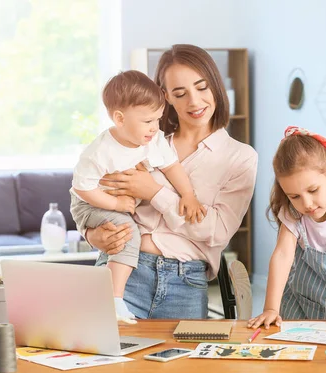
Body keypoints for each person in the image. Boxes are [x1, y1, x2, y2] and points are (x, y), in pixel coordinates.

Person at [73, 44, 258, 319]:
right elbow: (89, 191)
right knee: (103, 358)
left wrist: (154, 191)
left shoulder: (240, 157)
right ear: (166, 97)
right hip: (124, 272)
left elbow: (217, 232)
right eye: (180, 93)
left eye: (202, 87)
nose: (194, 102)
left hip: (185, 283)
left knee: (182, 361)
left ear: (216, 85)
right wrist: (90, 234)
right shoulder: (144, 142)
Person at [70, 70, 205, 321]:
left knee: (125, 227)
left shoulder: (152, 141)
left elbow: (171, 166)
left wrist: (189, 195)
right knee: (127, 231)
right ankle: (115, 298)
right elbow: (82, 189)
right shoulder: (100, 151)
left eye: (158, 119)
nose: (155, 128)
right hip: (90, 201)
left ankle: (114, 296)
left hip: (113, 202)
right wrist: (116, 203)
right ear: (119, 118)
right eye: (147, 121)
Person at [248, 126, 326, 329]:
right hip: (297, 301)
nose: (306, 203)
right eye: (294, 196)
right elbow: (282, 256)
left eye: (313, 190)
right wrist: (271, 308)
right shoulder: (293, 210)